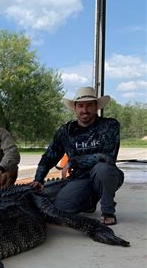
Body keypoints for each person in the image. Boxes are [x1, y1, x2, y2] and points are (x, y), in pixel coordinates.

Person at [29, 86, 124, 225]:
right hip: (79, 179)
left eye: (89, 105)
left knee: (103, 170)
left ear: (96, 106)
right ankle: (89, 201)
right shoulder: (65, 131)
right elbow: (50, 155)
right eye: (80, 106)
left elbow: (108, 157)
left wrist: (74, 161)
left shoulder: (109, 126)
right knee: (61, 209)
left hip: (105, 175)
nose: (84, 110)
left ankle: (108, 210)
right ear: (75, 107)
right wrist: (38, 178)